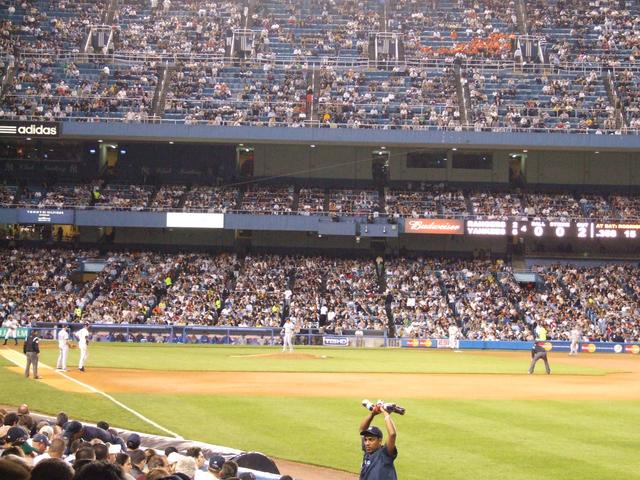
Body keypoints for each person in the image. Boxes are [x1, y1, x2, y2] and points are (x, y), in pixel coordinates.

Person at [358, 403, 398, 480]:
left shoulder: (385, 453)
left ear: (379, 441)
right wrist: (373, 413)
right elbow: (362, 429)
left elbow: (392, 434)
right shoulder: (367, 451)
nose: (367, 443)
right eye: (365, 440)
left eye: (371, 439)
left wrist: (385, 413)